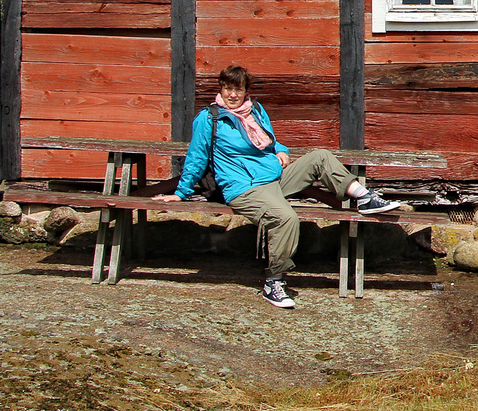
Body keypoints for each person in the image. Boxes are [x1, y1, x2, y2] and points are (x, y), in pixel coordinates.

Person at [155, 64, 398, 308]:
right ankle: (274, 280)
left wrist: (281, 151)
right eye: (228, 88)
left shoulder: (256, 110)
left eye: (237, 89)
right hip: (244, 187)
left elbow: (271, 140)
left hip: (273, 178)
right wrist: (180, 193)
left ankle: (364, 197)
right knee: (286, 218)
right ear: (221, 88)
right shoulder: (209, 118)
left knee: (320, 156)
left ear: (246, 90)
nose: (232, 95)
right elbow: (196, 157)